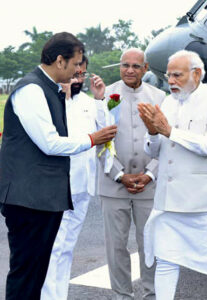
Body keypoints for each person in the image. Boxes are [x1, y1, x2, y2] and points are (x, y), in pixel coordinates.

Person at [0, 32, 117, 300]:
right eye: (76, 64)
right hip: (28, 200)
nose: (79, 71)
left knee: (38, 271)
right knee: (26, 274)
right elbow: (50, 144)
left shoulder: (49, 89)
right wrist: (92, 139)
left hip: (44, 199)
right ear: (60, 60)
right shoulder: (31, 90)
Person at [138, 49, 207, 300]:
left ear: (197, 73)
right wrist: (151, 132)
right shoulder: (169, 101)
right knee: (166, 259)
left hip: (205, 200)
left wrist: (169, 131)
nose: (170, 81)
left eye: (177, 75)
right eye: (169, 75)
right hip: (170, 199)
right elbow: (157, 150)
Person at [97, 48, 166, 300]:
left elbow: (167, 143)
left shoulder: (159, 97)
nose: (129, 70)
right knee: (116, 246)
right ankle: (122, 295)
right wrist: (119, 175)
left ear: (145, 68)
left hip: (149, 186)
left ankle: (151, 294)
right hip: (113, 185)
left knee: (150, 244)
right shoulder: (108, 96)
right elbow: (100, 142)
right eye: (125, 65)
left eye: (136, 66)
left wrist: (149, 174)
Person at [40, 56, 106, 299]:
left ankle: (60, 294)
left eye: (82, 74)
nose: (77, 78)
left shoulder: (89, 102)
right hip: (58, 187)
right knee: (54, 247)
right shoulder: (49, 101)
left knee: (67, 248)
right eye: (74, 73)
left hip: (83, 186)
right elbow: (53, 139)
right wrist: (63, 99)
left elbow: (107, 130)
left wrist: (100, 99)